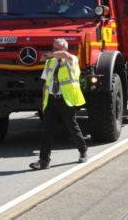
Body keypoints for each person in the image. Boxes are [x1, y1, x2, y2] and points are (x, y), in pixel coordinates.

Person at [30, 38, 88, 170]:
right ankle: (44, 161)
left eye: (57, 48)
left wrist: (50, 54)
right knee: (46, 131)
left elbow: (65, 55)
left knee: (72, 127)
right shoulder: (50, 62)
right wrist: (44, 102)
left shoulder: (71, 59)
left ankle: (83, 151)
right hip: (51, 99)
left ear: (64, 49)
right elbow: (46, 83)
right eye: (53, 48)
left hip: (65, 99)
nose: (54, 51)